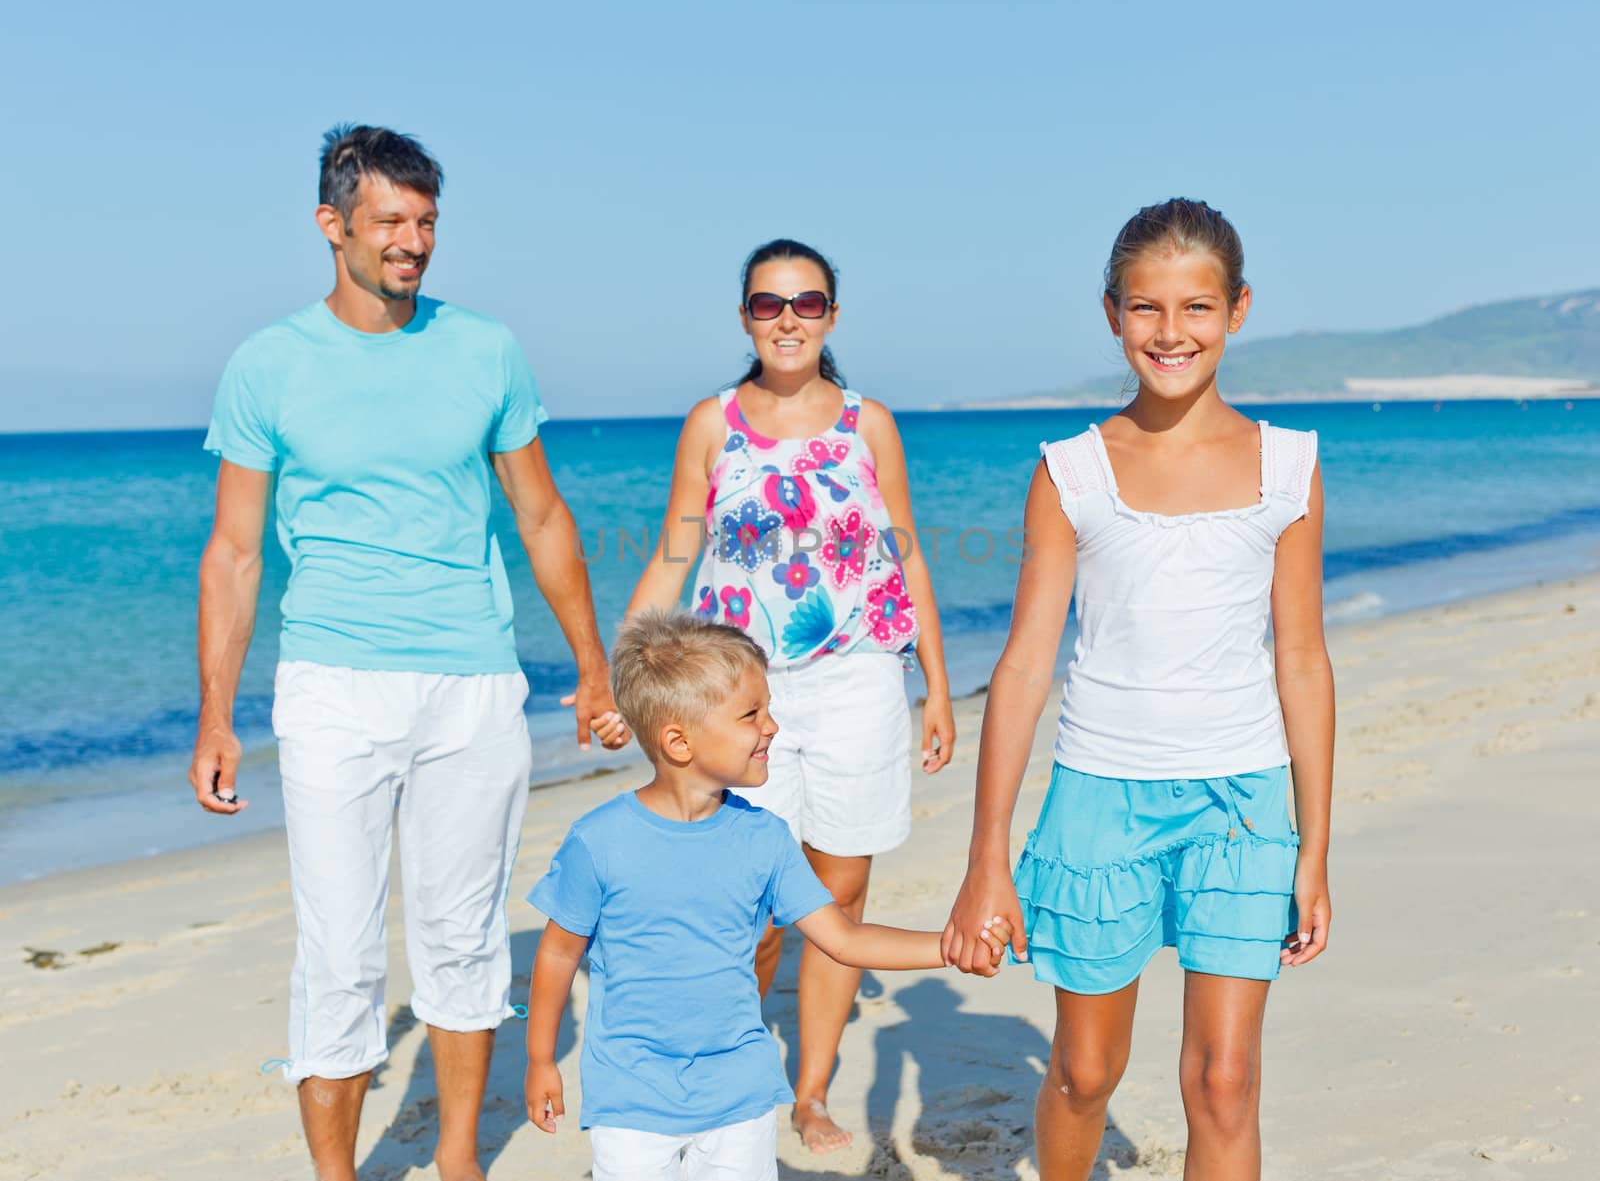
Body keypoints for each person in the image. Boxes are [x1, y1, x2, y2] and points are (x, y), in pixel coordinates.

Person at [189, 124, 630, 1181]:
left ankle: (459, 1164)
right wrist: (216, 713)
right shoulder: (269, 364)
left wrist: (592, 664)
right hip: (332, 686)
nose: (412, 241)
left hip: (473, 682)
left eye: (426, 221)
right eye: (389, 219)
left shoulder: (485, 350)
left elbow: (541, 515)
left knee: (464, 938)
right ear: (331, 224)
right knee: (338, 955)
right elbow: (236, 552)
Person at [942, 199, 1334, 1181]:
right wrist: (987, 854)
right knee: (1081, 1072)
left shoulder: (1288, 466)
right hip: (1097, 801)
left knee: (1226, 1080)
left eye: (1196, 307)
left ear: (1237, 309)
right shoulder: (1070, 471)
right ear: (1111, 314)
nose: (1171, 333)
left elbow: (1302, 659)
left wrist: (1314, 846)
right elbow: (1027, 662)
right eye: (1146, 309)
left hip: (1240, 808)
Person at [625, 238, 955, 1152]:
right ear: (744, 317)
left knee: (837, 902)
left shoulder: (868, 424)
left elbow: (907, 554)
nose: (788, 320)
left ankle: (808, 1092)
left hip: (859, 683)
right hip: (737, 690)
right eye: (769, 305)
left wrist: (936, 684)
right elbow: (674, 555)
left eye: (806, 304)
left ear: (831, 317)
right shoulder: (713, 425)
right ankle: (733, 1067)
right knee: (750, 900)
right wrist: (623, 671)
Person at [523, 609, 1009, 1181]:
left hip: (739, 1093)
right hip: (631, 1096)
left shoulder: (764, 837)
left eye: (769, 709)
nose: (773, 726)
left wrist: (951, 946)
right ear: (678, 741)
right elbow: (558, 953)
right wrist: (540, 1059)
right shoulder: (599, 841)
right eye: (752, 714)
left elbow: (844, 939)